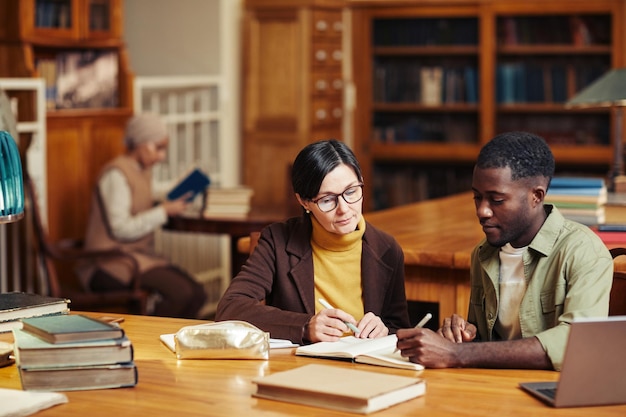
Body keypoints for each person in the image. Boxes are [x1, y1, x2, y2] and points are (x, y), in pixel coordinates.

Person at [396, 131, 613, 370]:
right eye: (477, 198)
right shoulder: (482, 253)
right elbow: (486, 345)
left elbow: (577, 343)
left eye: (496, 200)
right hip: (497, 389)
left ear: (536, 196)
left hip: (555, 393)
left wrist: (457, 353)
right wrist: (464, 335)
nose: (482, 211)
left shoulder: (583, 251)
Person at [216, 139, 410, 343]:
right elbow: (230, 308)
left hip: (365, 367)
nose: (344, 208)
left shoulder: (387, 249)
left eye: (351, 192)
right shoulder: (278, 242)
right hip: (299, 367)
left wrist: (385, 330)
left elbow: (400, 329)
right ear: (304, 201)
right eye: (327, 200)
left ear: (362, 181)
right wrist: (304, 327)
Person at [78, 113, 207, 318]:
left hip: (133, 258)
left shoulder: (142, 171)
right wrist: (163, 211)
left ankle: (170, 339)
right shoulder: (116, 175)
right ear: (141, 144)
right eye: (158, 148)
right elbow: (121, 229)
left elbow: (138, 207)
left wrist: (165, 204)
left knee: (198, 293)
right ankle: (153, 338)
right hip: (108, 262)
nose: (162, 156)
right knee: (181, 294)